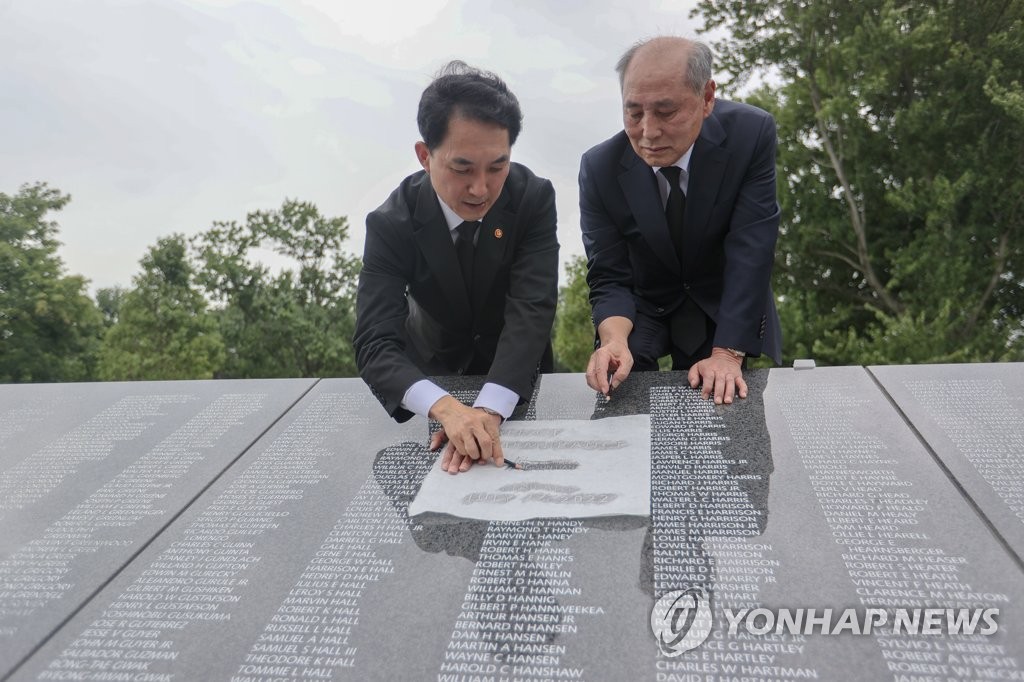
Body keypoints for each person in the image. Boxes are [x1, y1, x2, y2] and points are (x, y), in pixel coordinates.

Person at [354, 61, 559, 475]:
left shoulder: (533, 199)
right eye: (462, 168)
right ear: (425, 156)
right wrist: (445, 407)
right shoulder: (390, 222)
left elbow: (532, 308)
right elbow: (375, 341)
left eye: (497, 167)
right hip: (434, 373)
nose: (481, 189)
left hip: (515, 373)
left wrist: (489, 407)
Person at [579, 36, 783, 406]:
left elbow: (751, 249)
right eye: (634, 112)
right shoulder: (599, 168)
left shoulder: (750, 135)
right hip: (644, 304)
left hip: (720, 300)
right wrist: (613, 340)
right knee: (621, 386)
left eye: (666, 112)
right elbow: (609, 273)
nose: (648, 132)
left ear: (707, 98)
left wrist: (727, 353)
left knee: (722, 403)